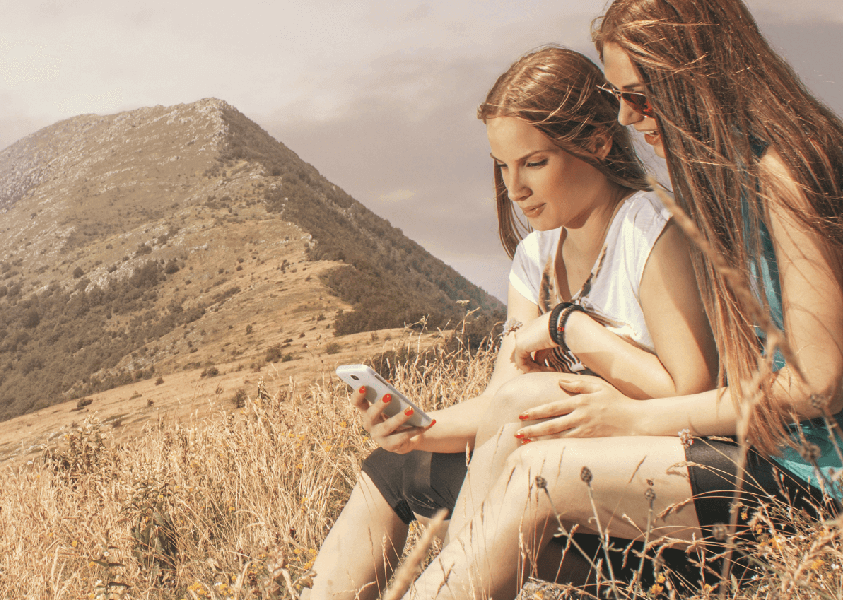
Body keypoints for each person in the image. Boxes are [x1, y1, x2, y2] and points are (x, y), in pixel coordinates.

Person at [401, 0, 843, 597]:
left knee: (540, 473)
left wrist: (633, 419)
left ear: (700, 78)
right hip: (790, 456)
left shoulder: (788, 171)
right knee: (523, 443)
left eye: (641, 96)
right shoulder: (739, 176)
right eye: (619, 97)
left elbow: (815, 385)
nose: (627, 116)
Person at [305, 45, 717, 600]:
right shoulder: (536, 259)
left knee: (525, 417)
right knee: (393, 468)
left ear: (597, 142)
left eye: (535, 162)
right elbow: (504, 402)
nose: (515, 188)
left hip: (640, 486)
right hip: (553, 475)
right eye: (503, 165)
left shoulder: (648, 228)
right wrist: (416, 429)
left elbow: (691, 388)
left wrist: (573, 328)